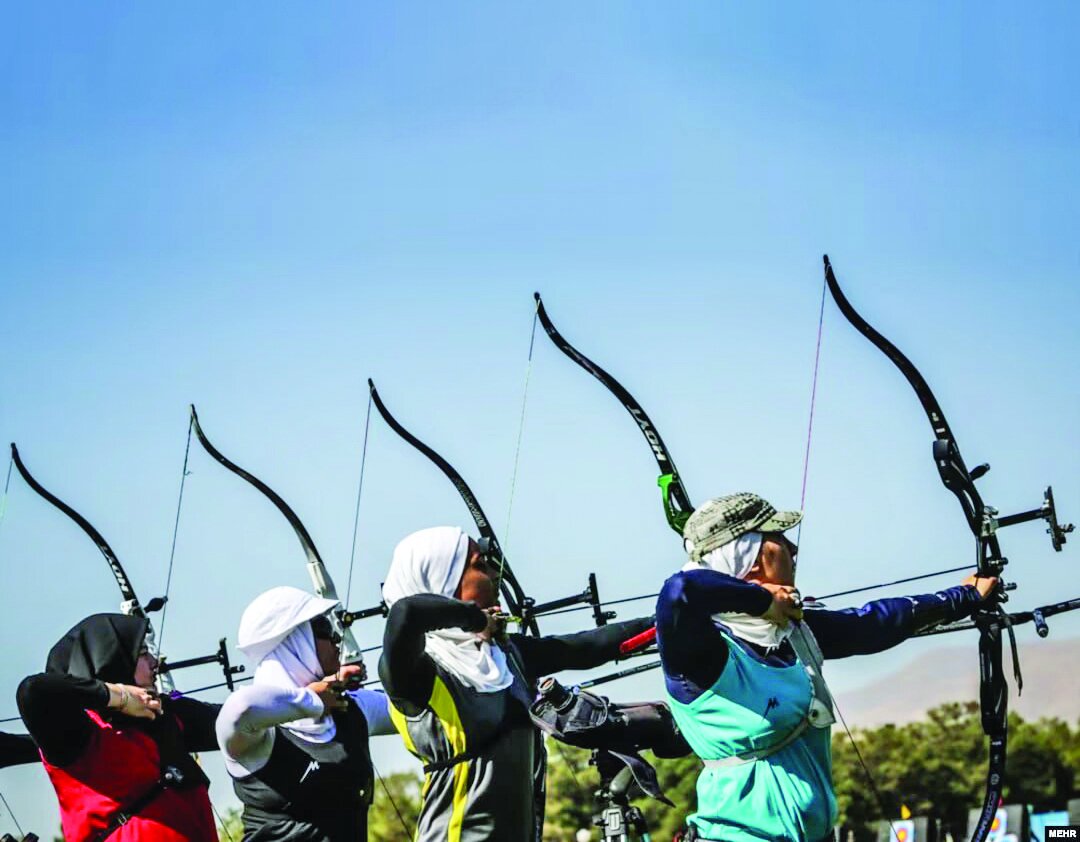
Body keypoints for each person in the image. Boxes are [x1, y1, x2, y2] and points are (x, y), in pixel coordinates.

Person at [656, 493, 998, 842]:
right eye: (778, 538)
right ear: (750, 554)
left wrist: (962, 598)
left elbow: (871, 623)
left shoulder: (792, 633)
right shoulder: (700, 652)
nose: (793, 548)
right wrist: (764, 601)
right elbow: (679, 591)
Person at [379, 526, 655, 842]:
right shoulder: (416, 672)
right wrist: (476, 619)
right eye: (481, 565)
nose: (494, 575)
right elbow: (405, 613)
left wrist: (663, 621)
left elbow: (586, 647)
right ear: (444, 580)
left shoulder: (506, 656)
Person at [16, 613, 220, 842]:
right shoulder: (78, 736)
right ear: (111, 659)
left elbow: (239, 717)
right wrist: (121, 697)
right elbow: (33, 690)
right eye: (142, 653)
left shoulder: (166, 714)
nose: (154, 662)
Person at [215, 586, 396, 841]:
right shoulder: (258, 733)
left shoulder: (352, 708)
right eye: (324, 629)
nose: (337, 639)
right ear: (294, 642)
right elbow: (240, 707)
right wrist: (313, 700)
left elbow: (419, 708)